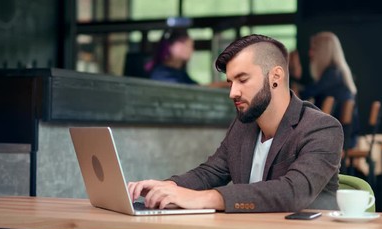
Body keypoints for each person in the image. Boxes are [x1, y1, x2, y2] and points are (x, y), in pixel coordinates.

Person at [128, 34, 343, 212]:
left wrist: (202, 199)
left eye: (243, 79)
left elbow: (293, 193)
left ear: (275, 76)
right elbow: (210, 172)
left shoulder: (322, 128)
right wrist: (167, 187)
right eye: (230, 82)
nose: (233, 92)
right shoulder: (244, 125)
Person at [299, 31, 359, 148]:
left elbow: (305, 94)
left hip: (337, 140)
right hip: (345, 137)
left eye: (313, 49)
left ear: (323, 52)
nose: (310, 53)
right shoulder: (338, 74)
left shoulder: (332, 75)